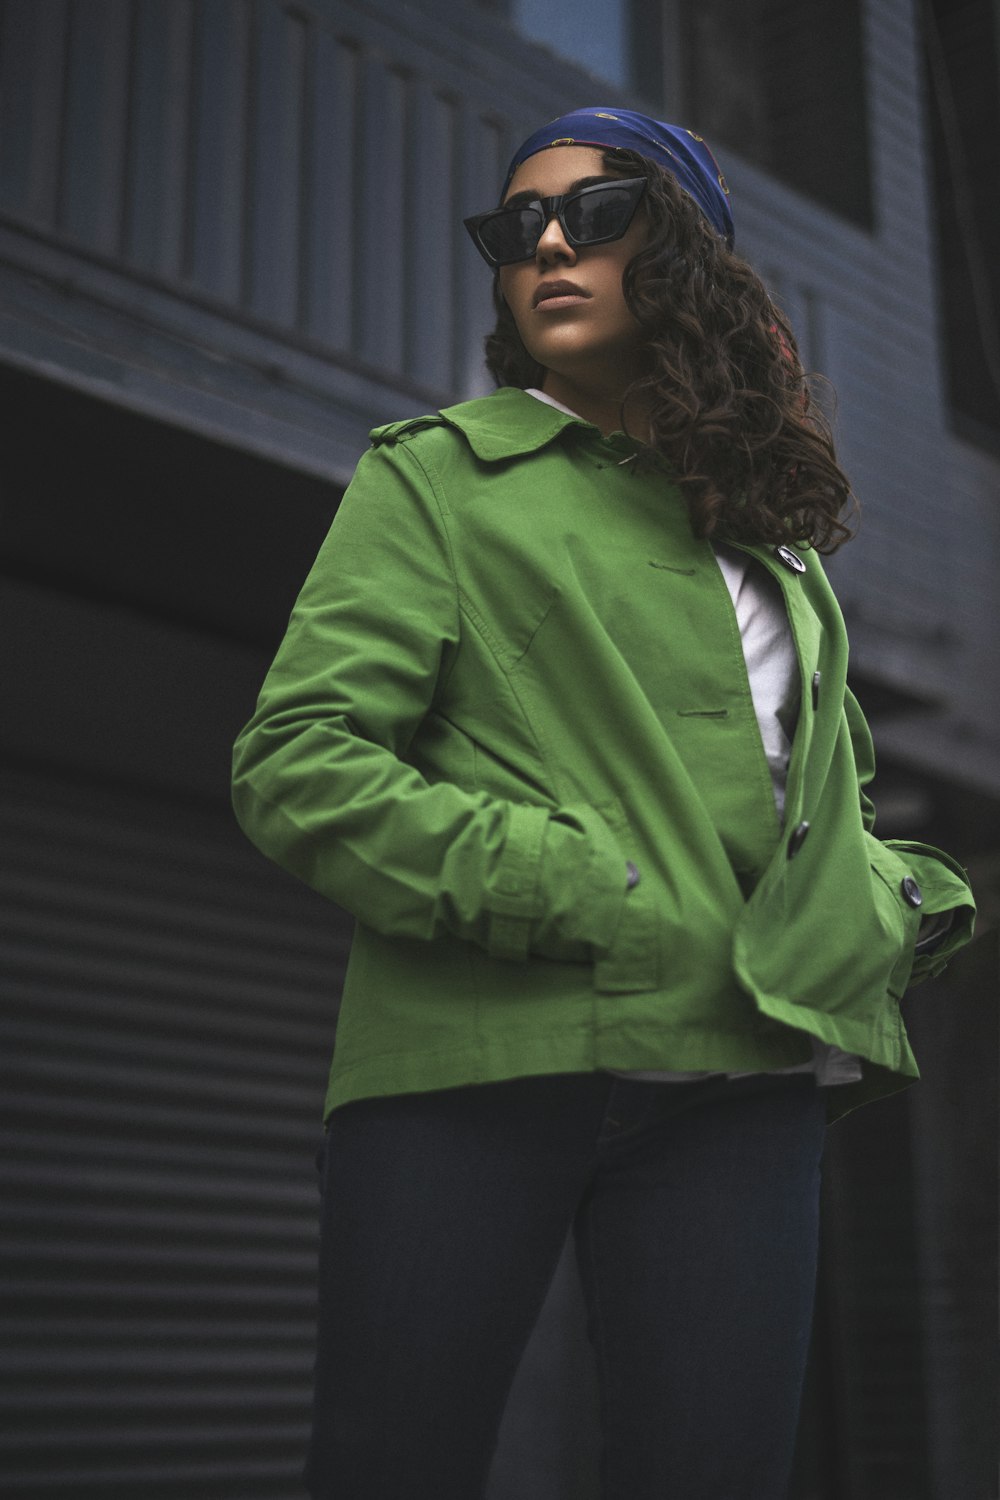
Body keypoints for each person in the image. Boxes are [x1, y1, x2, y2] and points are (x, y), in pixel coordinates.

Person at [231, 108, 975, 1500]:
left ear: (689, 256)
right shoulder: (441, 475)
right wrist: (567, 887)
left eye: (597, 212)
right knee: (394, 1469)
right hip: (475, 1064)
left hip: (743, 1089)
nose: (549, 245)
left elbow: (826, 802)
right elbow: (299, 760)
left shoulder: (774, 552)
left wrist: (896, 904)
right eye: (517, 229)